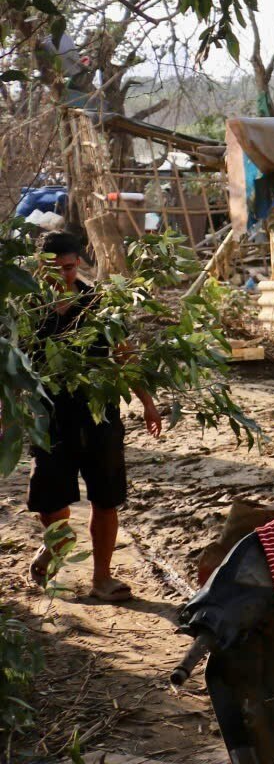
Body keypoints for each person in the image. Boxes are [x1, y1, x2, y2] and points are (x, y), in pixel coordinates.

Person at [25, 231, 163, 601]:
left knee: (106, 498)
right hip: (49, 419)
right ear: (40, 267)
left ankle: (102, 578)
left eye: (70, 268)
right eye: (56, 269)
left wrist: (147, 402)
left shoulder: (99, 302)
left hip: (99, 416)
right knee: (52, 501)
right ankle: (56, 544)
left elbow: (124, 354)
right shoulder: (25, 308)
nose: (65, 276)